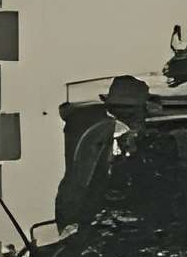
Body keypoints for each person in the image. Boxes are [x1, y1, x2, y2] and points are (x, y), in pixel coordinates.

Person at [52, 76, 152, 233]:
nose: (140, 120)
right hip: (88, 223)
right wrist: (71, 225)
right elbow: (78, 181)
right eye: (133, 113)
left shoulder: (140, 138)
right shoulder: (95, 131)